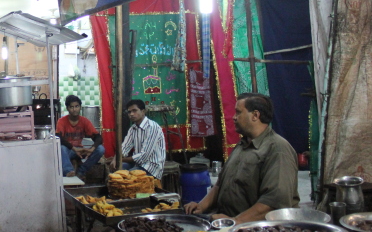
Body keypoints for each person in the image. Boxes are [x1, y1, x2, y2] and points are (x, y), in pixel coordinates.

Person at [185, 93, 299, 224]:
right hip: (229, 223)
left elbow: (274, 202)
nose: (234, 117)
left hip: (256, 231)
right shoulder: (242, 145)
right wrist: (201, 206)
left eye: (238, 112)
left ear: (255, 115)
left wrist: (235, 221)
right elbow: (220, 184)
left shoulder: (278, 149)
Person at [113, 99, 166, 179]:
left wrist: (120, 159)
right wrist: (115, 159)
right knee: (115, 173)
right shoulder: (133, 128)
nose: (131, 114)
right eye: (129, 112)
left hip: (151, 167)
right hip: (138, 164)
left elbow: (143, 156)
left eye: (134, 111)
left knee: (127, 178)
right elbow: (124, 147)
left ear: (143, 111)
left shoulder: (152, 127)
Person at [56, 95, 104, 179]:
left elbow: (98, 137)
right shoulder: (62, 121)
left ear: (80, 107)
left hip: (81, 151)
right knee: (62, 148)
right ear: (67, 108)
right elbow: (59, 138)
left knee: (101, 149)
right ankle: (69, 172)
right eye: (71, 107)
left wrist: (91, 149)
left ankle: (81, 171)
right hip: (69, 151)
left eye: (76, 106)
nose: (74, 109)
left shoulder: (84, 121)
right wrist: (74, 149)